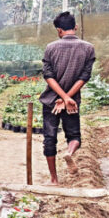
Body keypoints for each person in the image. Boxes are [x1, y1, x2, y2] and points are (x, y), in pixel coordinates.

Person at [40, 11, 95, 185]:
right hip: (71, 103)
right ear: (75, 27)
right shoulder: (88, 48)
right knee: (74, 136)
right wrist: (68, 98)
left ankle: (54, 179)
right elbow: (84, 76)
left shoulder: (51, 48)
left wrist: (61, 97)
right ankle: (69, 154)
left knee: (50, 138)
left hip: (51, 101)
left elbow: (48, 76)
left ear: (59, 30)